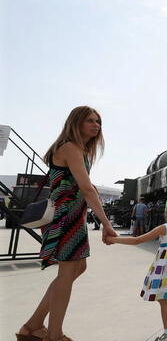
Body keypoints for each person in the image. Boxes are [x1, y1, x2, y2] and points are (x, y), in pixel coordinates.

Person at [16, 106, 118, 341]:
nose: (96, 125)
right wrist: (106, 223)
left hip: (73, 217)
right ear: (77, 123)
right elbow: (86, 187)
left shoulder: (78, 150)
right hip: (65, 217)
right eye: (90, 121)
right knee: (68, 271)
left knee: (77, 268)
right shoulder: (70, 148)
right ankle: (54, 334)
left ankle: (32, 326)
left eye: (98, 121)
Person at [108, 192, 167, 341]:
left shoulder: (165, 228)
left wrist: (114, 239)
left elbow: (137, 240)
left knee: (162, 297)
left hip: (164, 269)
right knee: (164, 296)